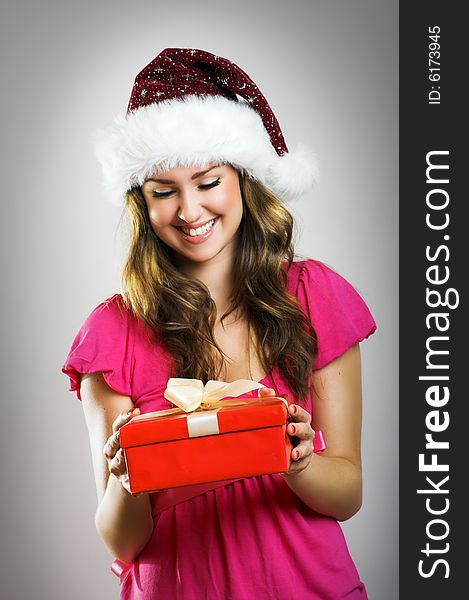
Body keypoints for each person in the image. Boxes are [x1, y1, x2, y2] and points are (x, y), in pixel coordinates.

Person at [62, 48, 376, 599]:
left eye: (208, 182)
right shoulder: (112, 334)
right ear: (142, 201)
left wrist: (299, 463)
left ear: (242, 179)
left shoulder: (313, 296)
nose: (189, 210)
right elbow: (122, 542)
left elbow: (346, 493)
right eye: (164, 191)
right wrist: (127, 482)